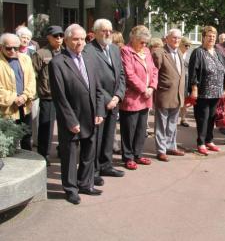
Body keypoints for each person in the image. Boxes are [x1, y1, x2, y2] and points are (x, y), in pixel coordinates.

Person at [49, 24, 105, 205]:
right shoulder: (57, 62)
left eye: (82, 39)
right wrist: (70, 120)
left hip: (92, 115)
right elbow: (59, 96)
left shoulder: (89, 58)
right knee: (70, 155)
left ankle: (85, 183)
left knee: (89, 152)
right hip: (71, 118)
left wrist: (100, 111)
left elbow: (97, 88)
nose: (80, 42)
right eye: (75, 39)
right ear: (66, 40)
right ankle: (71, 189)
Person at [85, 19, 126, 185]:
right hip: (98, 102)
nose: (107, 33)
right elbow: (91, 79)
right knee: (97, 137)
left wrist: (117, 96)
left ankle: (106, 165)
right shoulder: (89, 50)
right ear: (95, 32)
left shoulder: (115, 49)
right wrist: (108, 99)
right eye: (103, 30)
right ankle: (93, 171)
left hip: (114, 101)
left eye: (109, 30)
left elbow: (121, 75)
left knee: (109, 135)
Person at [119, 25, 158, 170]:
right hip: (132, 97)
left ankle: (138, 153)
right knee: (129, 129)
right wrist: (143, 89)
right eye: (141, 42)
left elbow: (154, 70)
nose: (144, 45)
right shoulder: (126, 51)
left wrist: (152, 87)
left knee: (141, 128)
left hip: (146, 96)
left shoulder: (146, 51)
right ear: (133, 39)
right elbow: (129, 74)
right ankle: (128, 156)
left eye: (146, 42)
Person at [188, 26, 225, 155]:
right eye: (209, 36)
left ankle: (209, 140)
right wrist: (194, 88)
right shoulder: (198, 52)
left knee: (211, 117)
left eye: (214, 36)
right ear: (203, 37)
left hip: (216, 92)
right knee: (202, 118)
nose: (211, 38)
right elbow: (193, 72)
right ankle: (201, 142)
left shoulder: (218, 52)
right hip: (203, 92)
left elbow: (224, 71)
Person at [152, 29, 186, 162]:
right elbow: (154, 73)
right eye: (174, 38)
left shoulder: (179, 51)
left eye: (178, 38)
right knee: (161, 123)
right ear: (167, 38)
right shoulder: (159, 52)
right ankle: (161, 150)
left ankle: (171, 146)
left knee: (172, 123)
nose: (176, 40)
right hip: (164, 93)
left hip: (177, 94)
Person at [32, 26, 64, 165]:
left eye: (61, 36)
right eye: (55, 36)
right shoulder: (40, 53)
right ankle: (43, 154)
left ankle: (63, 150)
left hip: (65, 96)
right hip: (48, 96)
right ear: (49, 37)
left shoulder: (66, 52)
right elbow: (33, 75)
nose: (58, 39)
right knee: (46, 127)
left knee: (66, 125)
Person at [0, 33, 36, 150]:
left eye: (15, 47)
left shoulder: (25, 59)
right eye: (8, 48)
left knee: (26, 136)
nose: (12, 51)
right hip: (7, 108)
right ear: (1, 47)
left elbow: (31, 80)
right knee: (10, 139)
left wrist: (25, 96)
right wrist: (14, 97)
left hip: (25, 106)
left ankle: (28, 164)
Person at [178, 37, 192, 127]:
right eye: (186, 45)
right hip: (177, 78)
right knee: (176, 99)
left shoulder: (190, 54)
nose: (187, 47)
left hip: (186, 79)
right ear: (181, 44)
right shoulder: (176, 52)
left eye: (189, 46)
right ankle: (174, 118)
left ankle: (183, 119)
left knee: (185, 99)